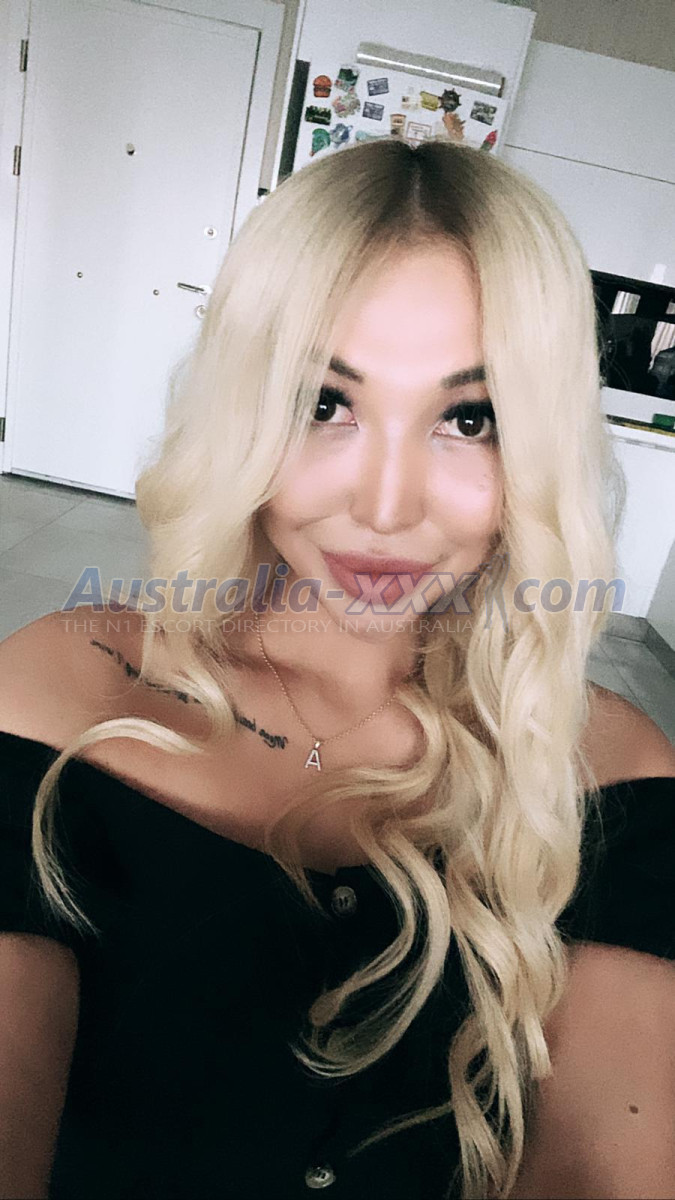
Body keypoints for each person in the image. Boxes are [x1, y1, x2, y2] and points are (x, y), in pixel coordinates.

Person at [0, 137, 673, 1200]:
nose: (386, 505)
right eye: (324, 403)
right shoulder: (67, 691)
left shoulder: (612, 773)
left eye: (469, 418)